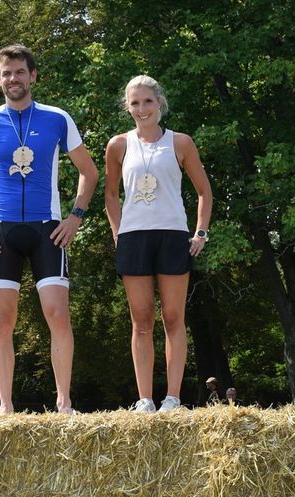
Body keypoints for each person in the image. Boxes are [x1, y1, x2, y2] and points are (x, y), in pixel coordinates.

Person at [0, 44, 98, 414]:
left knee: (57, 313)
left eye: (20, 72)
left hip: (47, 229)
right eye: (6, 73)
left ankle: (63, 402)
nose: (13, 79)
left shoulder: (57, 118)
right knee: (2, 318)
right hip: (2, 231)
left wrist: (75, 217)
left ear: (33, 76)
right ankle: (5, 406)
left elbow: (89, 171)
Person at [103, 75, 212, 413]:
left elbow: (204, 192)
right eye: (134, 103)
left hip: (172, 235)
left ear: (160, 103)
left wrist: (200, 232)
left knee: (173, 317)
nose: (141, 108)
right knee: (141, 320)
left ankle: (173, 398)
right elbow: (109, 194)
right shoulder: (118, 145)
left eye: (147, 101)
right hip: (134, 238)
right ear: (127, 107)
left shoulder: (181, 143)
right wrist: (118, 232)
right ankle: (146, 399)